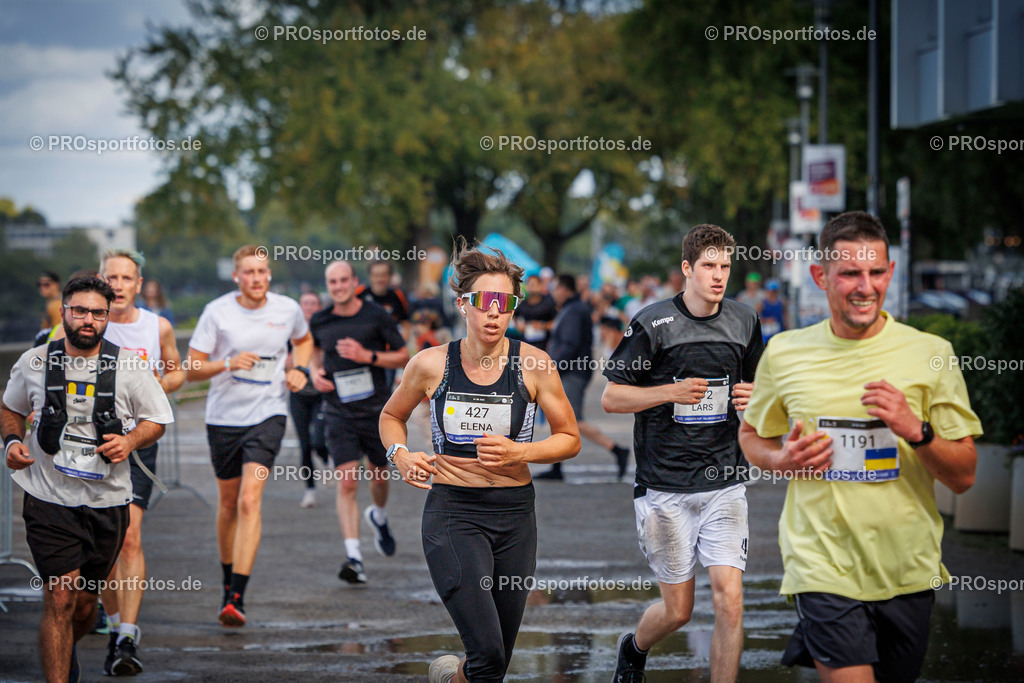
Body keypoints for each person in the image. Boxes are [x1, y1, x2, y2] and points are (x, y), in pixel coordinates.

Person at [738, 211, 981, 683]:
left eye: (875, 273)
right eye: (849, 273)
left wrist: (916, 430)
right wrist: (780, 459)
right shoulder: (786, 352)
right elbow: (753, 435)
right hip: (821, 563)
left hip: (907, 566)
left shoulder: (931, 352)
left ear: (890, 273)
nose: (864, 286)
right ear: (821, 276)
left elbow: (964, 475)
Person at [379, 242, 580, 683]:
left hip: (514, 517)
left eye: (504, 304)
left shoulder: (534, 364)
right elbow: (391, 416)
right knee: (487, 652)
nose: (494, 314)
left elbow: (570, 439)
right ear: (462, 305)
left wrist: (519, 452)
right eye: (484, 303)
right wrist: (400, 454)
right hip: (454, 514)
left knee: (494, 662)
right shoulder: (430, 365)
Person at [602, 224, 763, 682]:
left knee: (730, 599)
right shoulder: (653, 323)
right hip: (665, 486)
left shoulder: (745, 320)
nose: (718, 276)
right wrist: (669, 391)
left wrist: (756, 397)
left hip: (724, 482)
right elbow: (612, 398)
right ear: (687, 269)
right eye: (709, 266)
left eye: (725, 267)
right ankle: (633, 649)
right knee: (679, 611)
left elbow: (759, 388)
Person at [3, 276, 173, 682]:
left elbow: (158, 420)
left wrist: (130, 440)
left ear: (106, 317)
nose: (88, 320)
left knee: (82, 605)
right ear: (63, 312)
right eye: (79, 311)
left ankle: (65, 650)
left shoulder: (130, 366)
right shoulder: (35, 362)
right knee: (60, 597)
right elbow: (10, 408)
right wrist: (11, 442)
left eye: (98, 313)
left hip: (107, 500)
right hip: (47, 497)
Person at [185, 245, 313, 627]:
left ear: (269, 275)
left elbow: (303, 341)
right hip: (223, 419)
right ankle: (227, 583)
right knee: (227, 504)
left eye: (262, 271)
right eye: (249, 272)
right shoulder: (217, 313)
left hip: (267, 414)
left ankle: (237, 596)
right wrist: (226, 362)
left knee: (248, 500)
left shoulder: (287, 309)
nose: (256, 279)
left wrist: (300, 370)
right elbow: (191, 368)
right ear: (236, 276)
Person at [73, 249, 184, 675]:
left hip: (139, 440)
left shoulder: (156, 326)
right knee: (105, 542)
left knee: (131, 536)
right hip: (87, 443)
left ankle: (127, 637)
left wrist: (155, 381)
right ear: (100, 279)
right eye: (111, 276)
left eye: (126, 277)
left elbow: (178, 372)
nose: (118, 284)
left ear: (140, 283)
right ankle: (115, 621)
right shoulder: (85, 324)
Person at [308, 261, 410, 584]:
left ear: (354, 282)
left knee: (379, 477)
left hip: (377, 411)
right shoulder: (320, 319)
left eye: (343, 280)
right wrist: (314, 372)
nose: (337, 286)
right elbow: (312, 350)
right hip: (338, 411)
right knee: (348, 482)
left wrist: (368, 357)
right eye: (331, 281)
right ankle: (354, 557)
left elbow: (405, 354)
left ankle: (378, 516)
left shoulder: (375, 315)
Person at [535, 274, 630, 480]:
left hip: (573, 372)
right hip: (572, 370)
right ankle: (557, 467)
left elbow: (570, 345)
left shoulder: (574, 311)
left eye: (556, 287)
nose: (552, 292)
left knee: (574, 420)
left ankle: (617, 450)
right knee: (561, 418)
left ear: (564, 289)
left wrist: (552, 367)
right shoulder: (571, 309)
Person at [291, 291, 329, 509]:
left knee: (319, 440)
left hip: (320, 394)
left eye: (313, 304)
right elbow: (284, 361)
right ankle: (310, 490)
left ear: (319, 306)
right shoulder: (292, 333)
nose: (309, 308)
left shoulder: (325, 330)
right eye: (305, 304)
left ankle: (325, 459)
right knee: (304, 445)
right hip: (298, 395)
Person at [512, 273, 557, 351]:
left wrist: (543, 326)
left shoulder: (548, 304)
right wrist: (519, 326)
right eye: (529, 284)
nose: (531, 287)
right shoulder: (523, 304)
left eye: (533, 284)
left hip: (544, 345)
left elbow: (557, 322)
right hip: (525, 343)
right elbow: (513, 316)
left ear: (540, 286)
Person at [34, 271, 63, 346]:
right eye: (39, 285)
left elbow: (58, 329)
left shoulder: (56, 305)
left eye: (46, 284)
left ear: (56, 285)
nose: (42, 287)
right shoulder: (51, 303)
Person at [759, 279, 786, 343]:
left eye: (774, 291)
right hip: (766, 334)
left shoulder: (782, 302)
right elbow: (755, 319)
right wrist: (766, 320)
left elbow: (785, 317)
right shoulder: (762, 304)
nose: (772, 294)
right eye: (771, 291)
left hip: (779, 332)